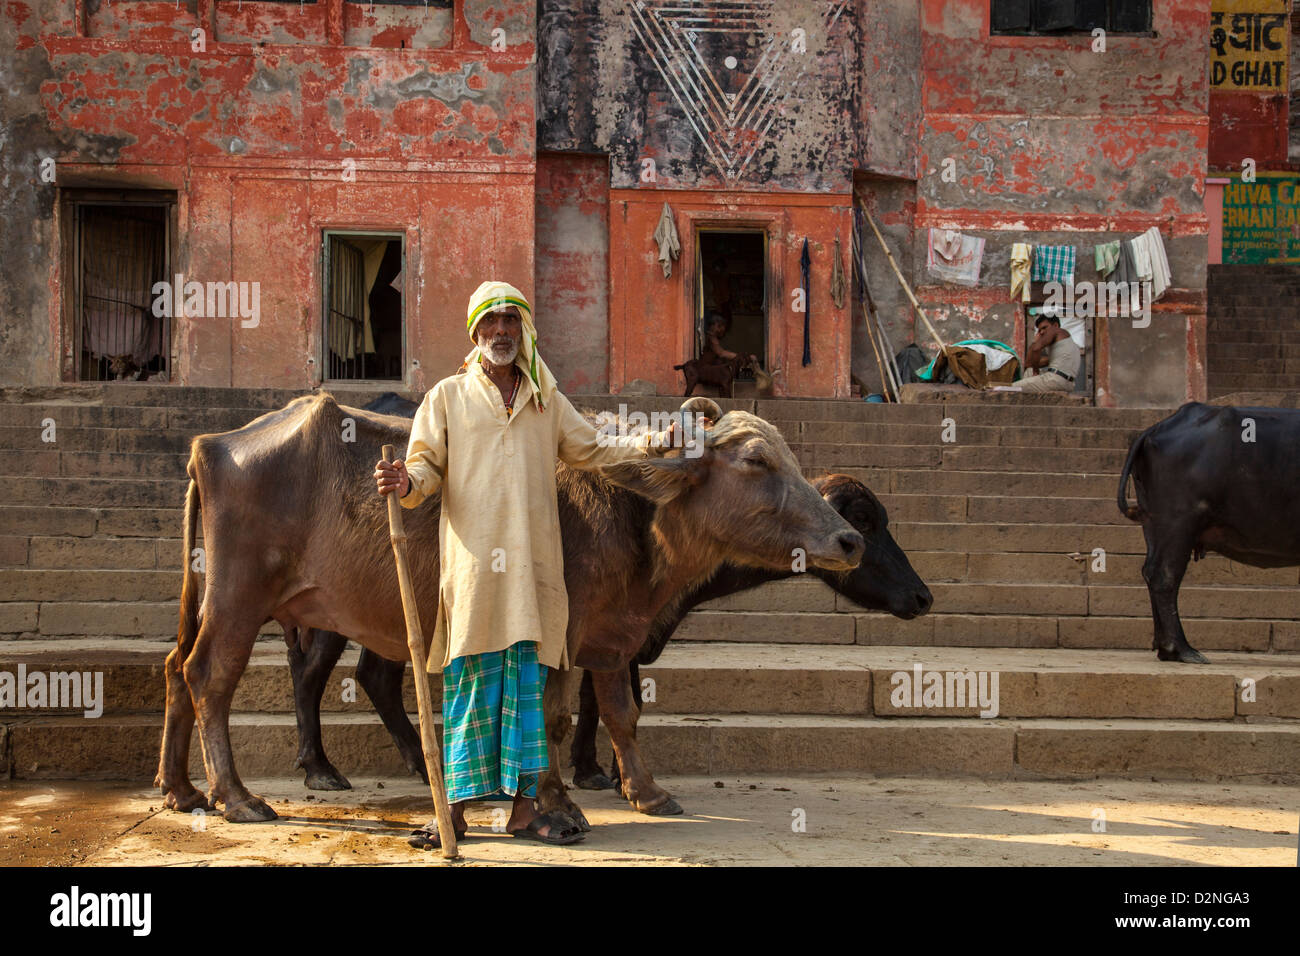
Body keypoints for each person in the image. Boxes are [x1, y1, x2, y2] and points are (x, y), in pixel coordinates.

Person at [373, 280, 676, 848]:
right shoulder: (447, 397)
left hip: (534, 573)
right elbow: (424, 470)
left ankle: (521, 812)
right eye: (491, 323)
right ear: (475, 333)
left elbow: (594, 451)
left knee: (526, 697)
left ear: (525, 330)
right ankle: (455, 811)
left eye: (511, 322)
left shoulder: (546, 400)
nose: (502, 332)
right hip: (474, 574)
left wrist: (652, 443)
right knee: (469, 690)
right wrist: (405, 482)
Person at [1013, 313, 1080, 392]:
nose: (1041, 332)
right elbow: (1028, 364)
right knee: (1029, 371)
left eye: (1044, 328)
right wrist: (1035, 342)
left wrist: (1036, 371)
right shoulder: (1062, 348)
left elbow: (1036, 349)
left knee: (1010, 388)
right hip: (1066, 383)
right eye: (1039, 330)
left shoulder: (1057, 331)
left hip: (1055, 380)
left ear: (1055, 325)